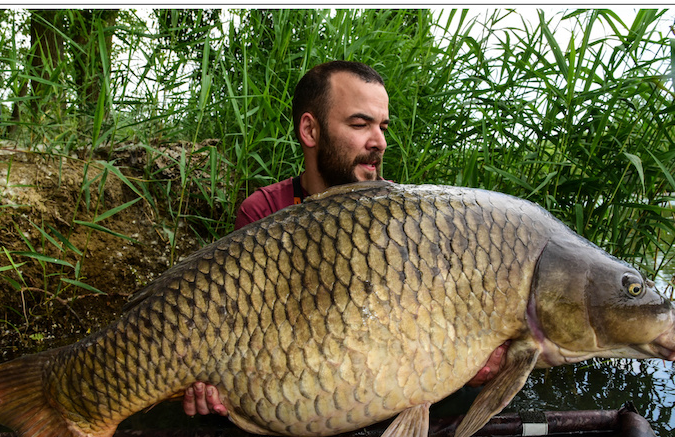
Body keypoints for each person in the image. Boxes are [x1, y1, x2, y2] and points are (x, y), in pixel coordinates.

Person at [182, 60, 506, 418]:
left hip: (387, 389)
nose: (379, 141)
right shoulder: (264, 212)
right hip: (297, 391)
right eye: (360, 123)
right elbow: (235, 334)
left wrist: (468, 362)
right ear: (310, 130)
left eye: (382, 126)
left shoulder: (410, 221)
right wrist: (212, 384)